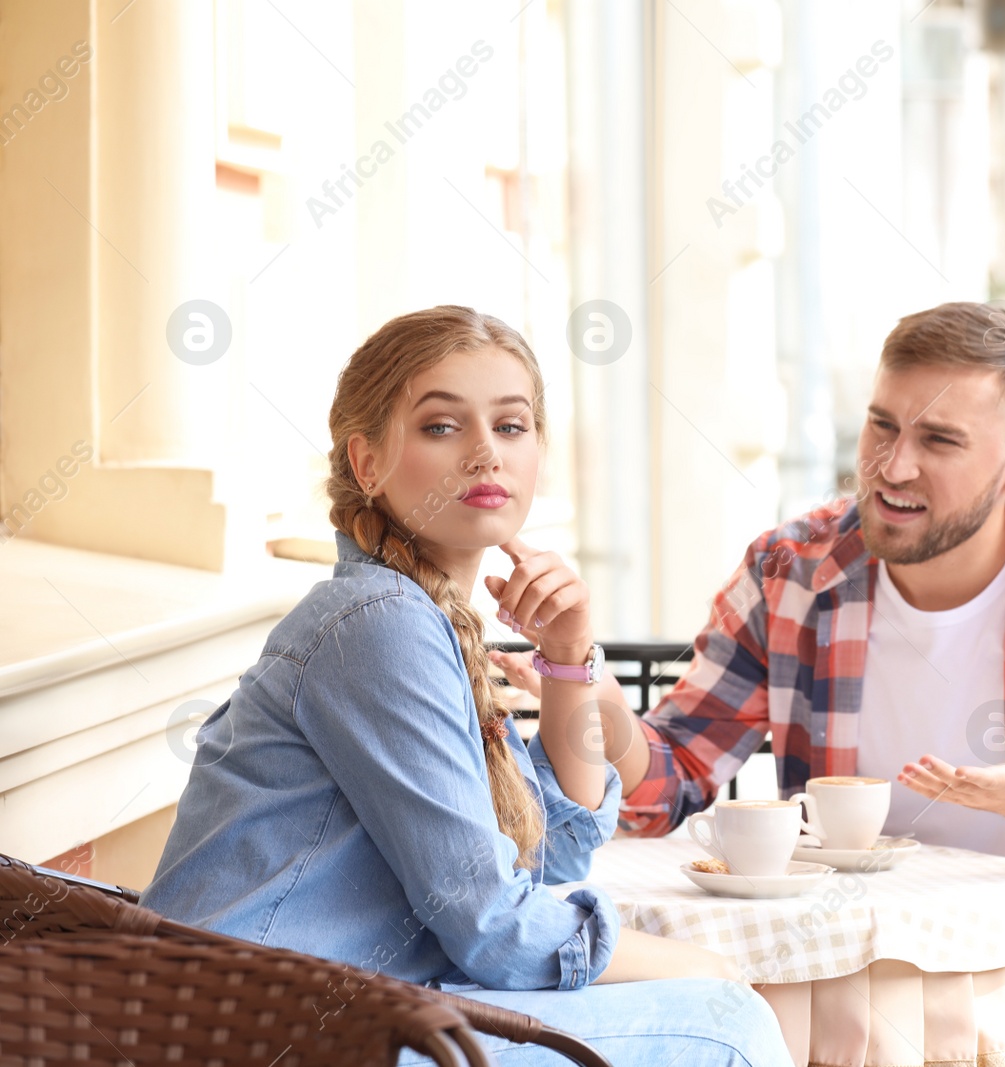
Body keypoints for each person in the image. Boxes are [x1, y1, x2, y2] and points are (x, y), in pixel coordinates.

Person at [499, 302, 1005, 1066]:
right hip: (844, 961)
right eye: (882, 426)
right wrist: (588, 688)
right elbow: (669, 779)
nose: (893, 466)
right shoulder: (793, 567)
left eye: (938, 440)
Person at [141, 305, 791, 1067]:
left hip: (346, 1006)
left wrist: (568, 657)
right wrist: (706, 964)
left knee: (710, 1005)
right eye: (442, 427)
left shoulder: (423, 617)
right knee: (723, 1022)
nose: (485, 453)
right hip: (268, 1033)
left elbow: (551, 851)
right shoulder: (379, 621)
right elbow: (492, 925)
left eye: (512, 427)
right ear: (367, 463)